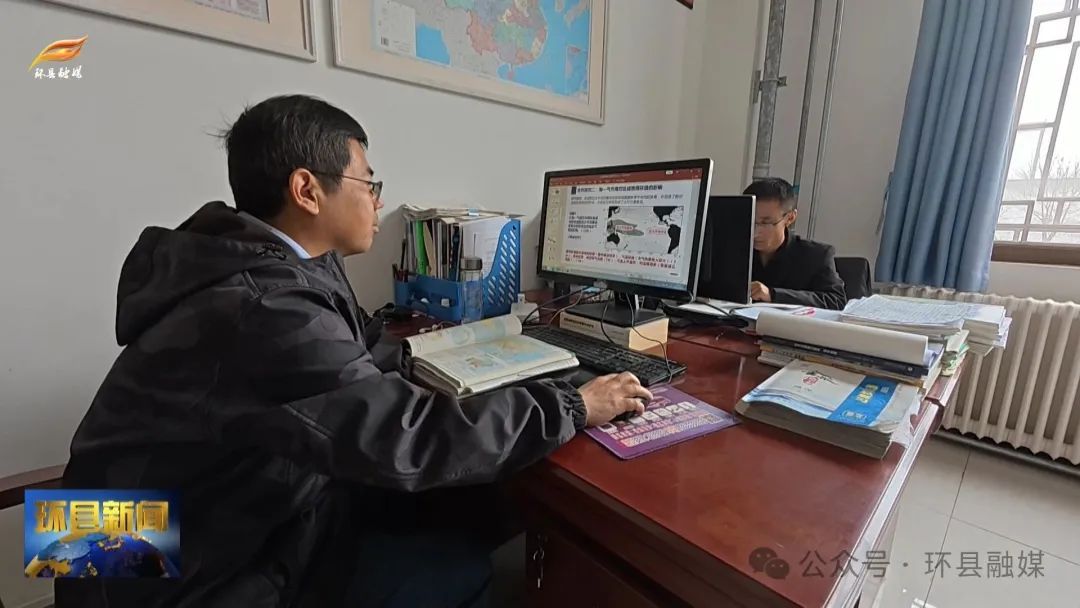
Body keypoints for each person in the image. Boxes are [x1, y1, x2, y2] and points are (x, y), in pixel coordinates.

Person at [57, 94, 651, 608]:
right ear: (307, 190)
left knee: (463, 504)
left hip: (205, 508)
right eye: (370, 183)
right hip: (145, 567)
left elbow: (365, 353)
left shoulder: (274, 262)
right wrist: (571, 405)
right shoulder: (264, 305)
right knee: (455, 563)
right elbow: (403, 437)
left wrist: (491, 371)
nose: (377, 200)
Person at [744, 177, 847, 310]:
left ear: (790, 218)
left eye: (766, 223)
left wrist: (773, 295)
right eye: (750, 220)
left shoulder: (816, 255)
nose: (755, 232)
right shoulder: (731, 250)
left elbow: (836, 301)